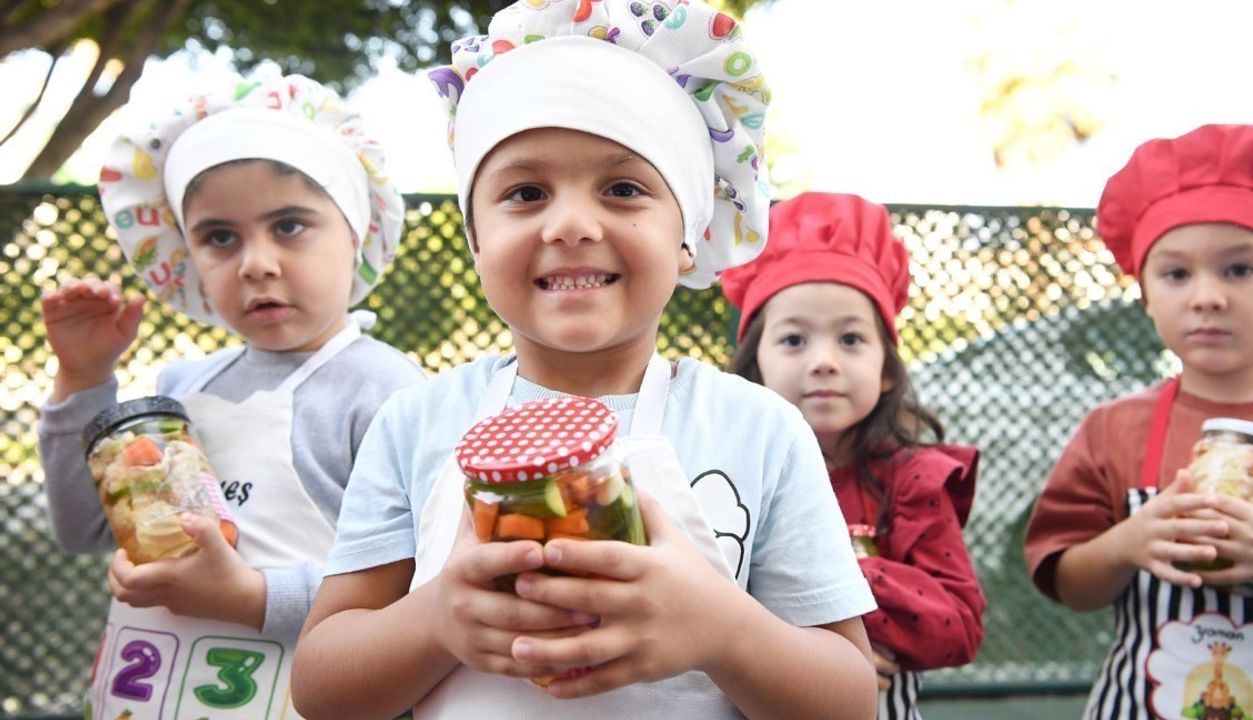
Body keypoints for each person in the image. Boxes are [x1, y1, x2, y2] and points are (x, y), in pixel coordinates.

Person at [291, 2, 880, 718]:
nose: (570, 224)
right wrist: (435, 617)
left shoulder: (760, 429)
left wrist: (724, 630)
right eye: (526, 193)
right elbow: (322, 690)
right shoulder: (413, 422)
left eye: (624, 188)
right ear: (475, 240)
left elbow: (849, 699)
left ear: (689, 234)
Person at [37, 72, 424, 720]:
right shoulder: (180, 387)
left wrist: (249, 595)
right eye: (219, 237)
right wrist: (82, 381)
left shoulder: (388, 392)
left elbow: (413, 586)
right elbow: (84, 529)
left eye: (290, 226)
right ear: (187, 256)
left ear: (356, 235)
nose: (256, 263)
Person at [1024, 124, 1253, 719]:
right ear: (1144, 294)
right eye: (1176, 274)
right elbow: (1068, 581)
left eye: (1239, 269)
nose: (1207, 296)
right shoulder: (1113, 430)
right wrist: (1126, 545)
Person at [721, 192, 987, 720]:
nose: (823, 361)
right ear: (756, 369)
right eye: (794, 339)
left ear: (886, 369)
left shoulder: (913, 481)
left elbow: (958, 627)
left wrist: (830, 572)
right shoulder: (727, 477)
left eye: (850, 338)